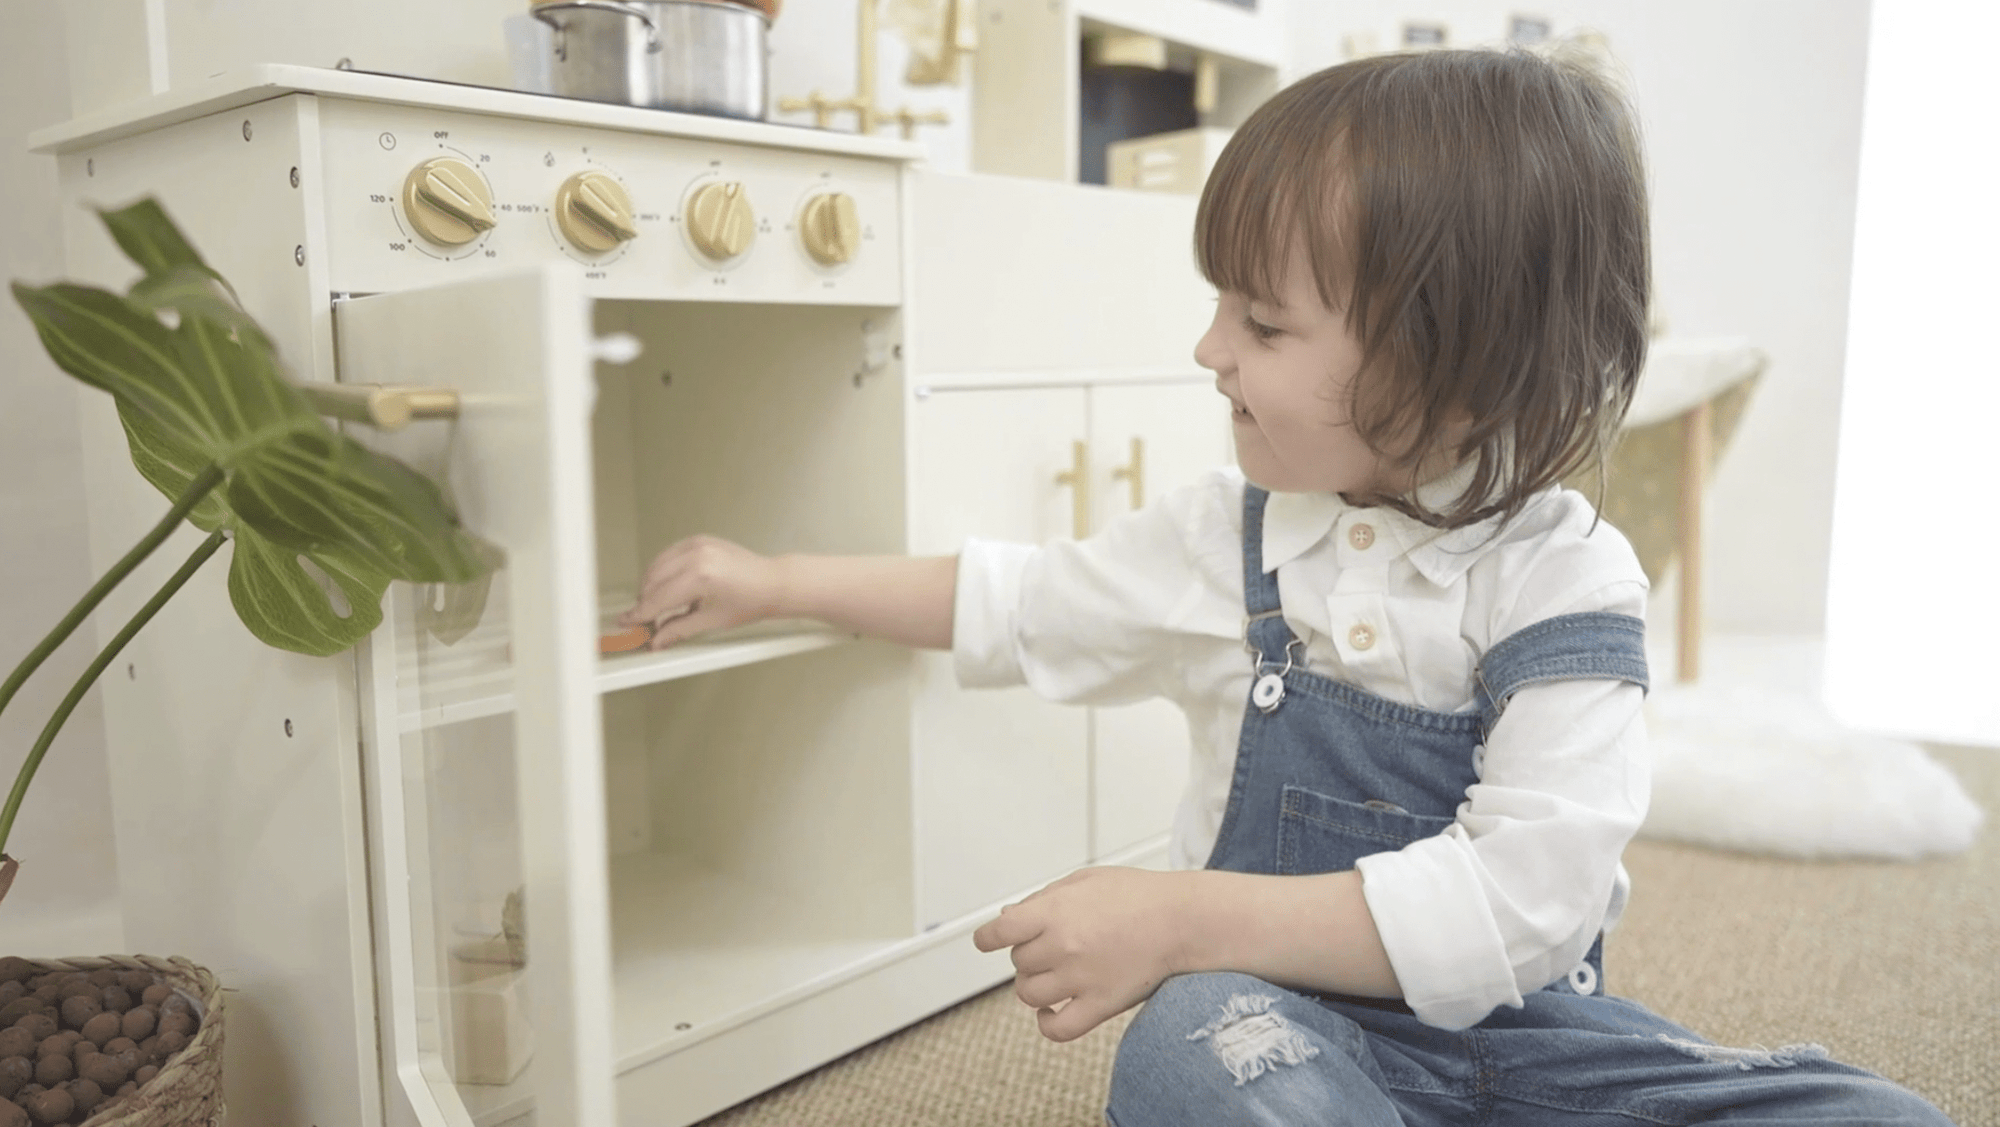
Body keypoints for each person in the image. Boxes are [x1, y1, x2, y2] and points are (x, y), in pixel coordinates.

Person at [619, 45, 1954, 1127]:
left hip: (1538, 1041)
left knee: (1876, 1111)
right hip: (1275, 1031)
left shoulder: (1567, 578)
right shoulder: (1229, 537)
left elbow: (1527, 905)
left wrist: (1177, 912)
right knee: (1185, 1054)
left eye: (1262, 323)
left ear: (1463, 367)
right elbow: (1014, 603)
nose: (1208, 349)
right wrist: (778, 574)